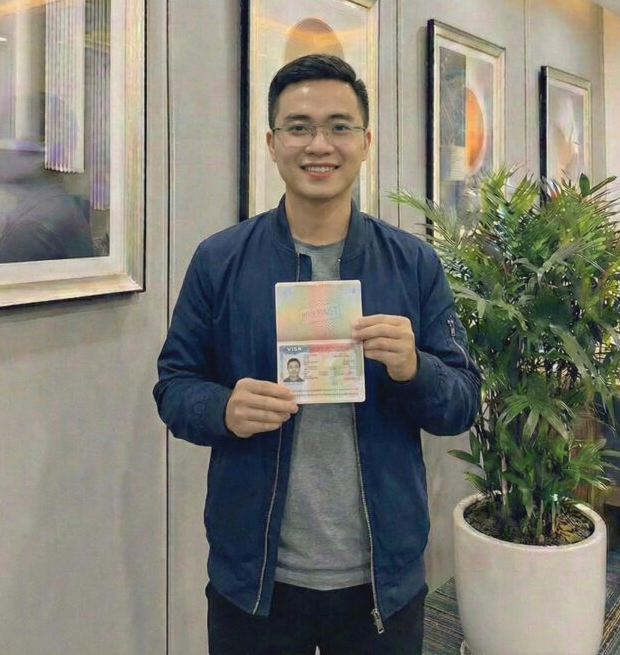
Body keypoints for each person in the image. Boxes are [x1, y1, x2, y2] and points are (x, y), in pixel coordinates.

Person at [153, 54, 481, 655]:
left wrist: (415, 368)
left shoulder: (412, 263)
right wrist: (223, 409)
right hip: (255, 579)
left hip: (382, 578)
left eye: (339, 126)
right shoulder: (220, 260)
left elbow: (462, 403)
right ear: (272, 143)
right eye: (299, 127)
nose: (319, 145)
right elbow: (174, 386)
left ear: (365, 142)